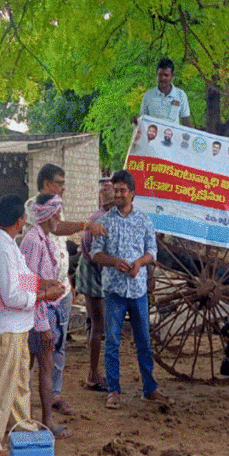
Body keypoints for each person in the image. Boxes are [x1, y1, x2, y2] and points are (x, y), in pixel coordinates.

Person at [0, 194, 64, 456]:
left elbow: (21, 279)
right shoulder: (2, 248)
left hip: (16, 326)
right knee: (2, 386)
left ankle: (23, 426)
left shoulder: (7, 243)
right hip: (7, 326)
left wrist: (42, 282)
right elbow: (11, 296)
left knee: (17, 383)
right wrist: (41, 295)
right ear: (20, 221)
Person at [22, 164, 106, 417]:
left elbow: (57, 245)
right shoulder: (35, 210)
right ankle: (26, 397)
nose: (63, 187)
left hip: (58, 290)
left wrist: (65, 279)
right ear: (47, 184)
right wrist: (87, 225)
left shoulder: (50, 216)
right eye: (59, 183)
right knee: (38, 349)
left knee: (56, 346)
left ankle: (52, 395)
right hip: (41, 296)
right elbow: (55, 230)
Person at [91, 170, 171, 410]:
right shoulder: (104, 222)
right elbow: (96, 253)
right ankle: (114, 390)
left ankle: (150, 388)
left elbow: (152, 252)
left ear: (133, 194)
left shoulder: (144, 221)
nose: (117, 194)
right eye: (115, 190)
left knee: (144, 341)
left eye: (122, 191)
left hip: (137, 290)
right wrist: (114, 261)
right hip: (114, 290)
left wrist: (139, 263)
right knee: (112, 341)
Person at [20, 193, 73, 439]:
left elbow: (35, 279)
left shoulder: (44, 238)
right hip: (37, 313)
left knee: (33, 367)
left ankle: (28, 419)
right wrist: (43, 325)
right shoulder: (34, 241)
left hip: (42, 310)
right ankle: (44, 421)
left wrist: (49, 284)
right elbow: (29, 284)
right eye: (57, 214)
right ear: (48, 215)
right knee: (44, 366)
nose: (60, 218)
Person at [75, 179, 116, 392]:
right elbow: (97, 257)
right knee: (98, 325)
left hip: (95, 268)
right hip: (94, 269)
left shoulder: (104, 218)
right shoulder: (101, 221)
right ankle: (92, 375)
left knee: (96, 324)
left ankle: (95, 372)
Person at [134, 58, 193, 128]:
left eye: (166, 75)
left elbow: (186, 121)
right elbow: (143, 120)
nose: (162, 78)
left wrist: (198, 136)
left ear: (172, 76)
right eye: (160, 75)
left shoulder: (181, 95)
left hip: (173, 137)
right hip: (153, 136)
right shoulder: (148, 95)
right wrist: (136, 121)